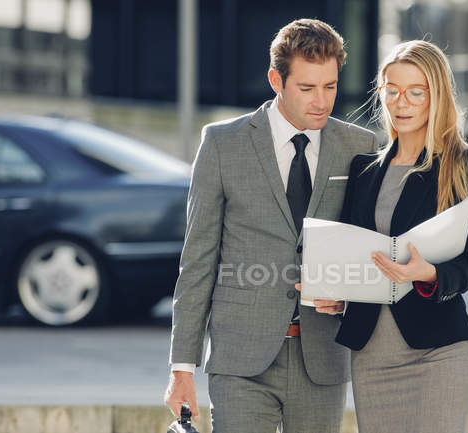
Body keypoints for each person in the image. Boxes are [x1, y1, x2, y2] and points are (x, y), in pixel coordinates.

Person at [164, 18, 377, 433]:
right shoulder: (222, 144)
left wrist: (351, 298)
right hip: (239, 357)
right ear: (276, 80)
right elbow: (198, 261)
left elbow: (368, 245)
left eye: (330, 87)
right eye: (307, 88)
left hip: (322, 356)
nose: (322, 101)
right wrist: (181, 367)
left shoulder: (360, 147)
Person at [335, 40, 468, 433]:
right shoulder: (363, 171)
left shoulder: (463, 163)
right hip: (372, 356)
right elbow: (349, 252)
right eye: (392, 90)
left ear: (435, 95)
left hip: (439, 353)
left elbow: (466, 267)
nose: (401, 102)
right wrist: (334, 288)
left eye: (415, 92)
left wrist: (428, 274)